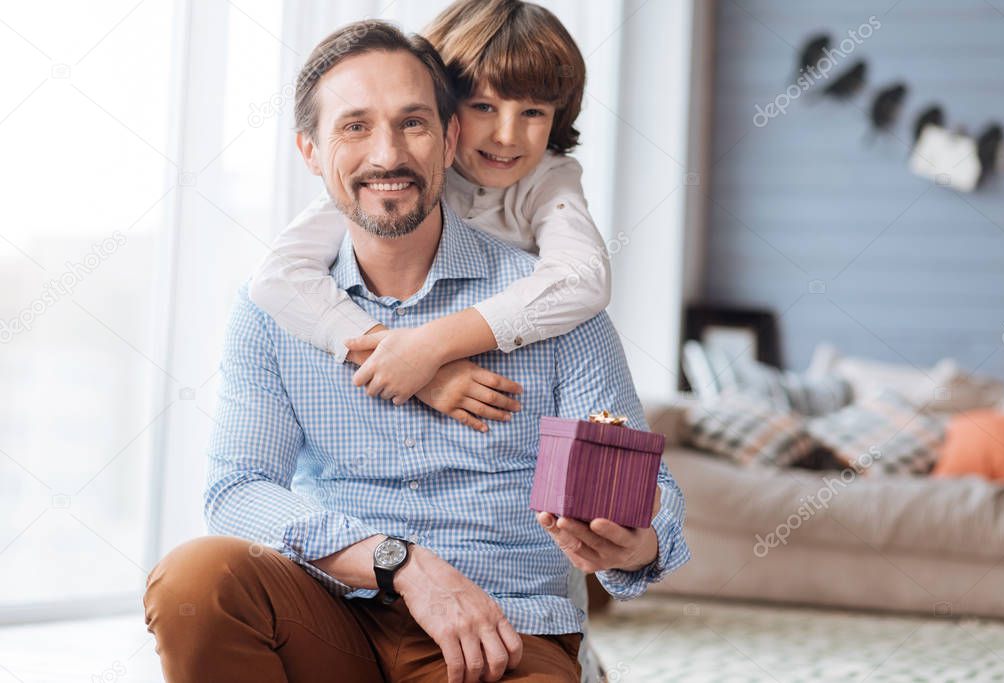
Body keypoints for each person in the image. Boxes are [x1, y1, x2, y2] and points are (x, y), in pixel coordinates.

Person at [144, 20, 689, 683]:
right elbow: (237, 490)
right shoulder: (276, 306)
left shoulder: (553, 304)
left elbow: (646, 488)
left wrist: (637, 542)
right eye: (354, 127)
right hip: (334, 611)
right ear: (310, 151)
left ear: (448, 138)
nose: (386, 154)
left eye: (412, 123)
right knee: (196, 577)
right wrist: (397, 561)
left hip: (503, 632)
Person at [248, 0, 610, 433]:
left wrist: (430, 346)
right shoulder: (400, 176)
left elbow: (583, 277)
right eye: (483, 106)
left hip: (513, 374)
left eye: (533, 112)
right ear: (446, 112)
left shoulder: (551, 177)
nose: (507, 136)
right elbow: (277, 277)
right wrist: (409, 362)